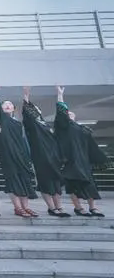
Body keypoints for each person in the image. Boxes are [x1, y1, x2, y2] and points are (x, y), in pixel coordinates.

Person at [0, 78, 38, 218]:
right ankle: (17, 208)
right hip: (8, 155)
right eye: (4, 104)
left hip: (21, 155)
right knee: (13, 181)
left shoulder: (17, 123)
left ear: (13, 108)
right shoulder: (0, 118)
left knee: (24, 180)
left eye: (10, 104)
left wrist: (26, 95)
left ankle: (26, 207)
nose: (7, 105)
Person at [55, 86, 108, 217]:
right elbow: (61, 111)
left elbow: (91, 145)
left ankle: (93, 208)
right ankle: (78, 208)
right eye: (66, 113)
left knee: (90, 185)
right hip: (71, 161)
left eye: (70, 113)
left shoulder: (81, 129)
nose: (68, 114)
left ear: (75, 116)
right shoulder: (64, 127)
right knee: (73, 185)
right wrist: (60, 95)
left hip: (83, 161)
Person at [22, 86, 69, 217]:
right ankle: (51, 208)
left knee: (56, 182)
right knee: (45, 182)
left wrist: (60, 95)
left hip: (53, 157)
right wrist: (26, 95)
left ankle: (59, 207)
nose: (34, 110)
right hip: (41, 157)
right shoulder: (32, 125)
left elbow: (61, 115)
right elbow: (27, 111)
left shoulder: (46, 125)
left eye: (36, 109)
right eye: (32, 109)